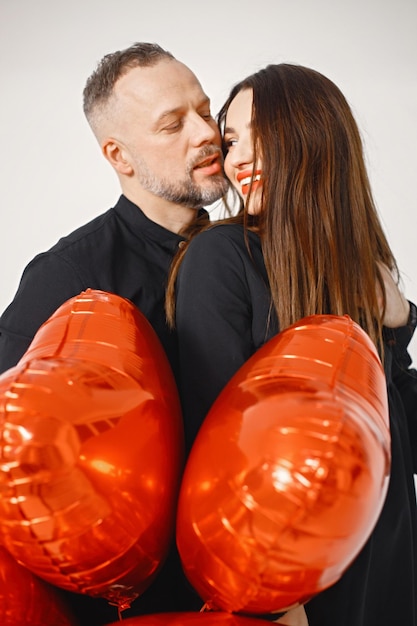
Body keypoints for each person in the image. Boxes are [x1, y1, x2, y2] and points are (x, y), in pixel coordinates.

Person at [170, 64, 417, 626]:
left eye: (261, 135)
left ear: (317, 135)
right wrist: (280, 603)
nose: (237, 159)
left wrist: (398, 324)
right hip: (290, 597)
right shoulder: (222, 259)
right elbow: (216, 462)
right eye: (232, 141)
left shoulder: (363, 272)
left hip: (385, 577)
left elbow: (401, 449)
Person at [0, 42, 229, 625]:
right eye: (173, 124)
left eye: (206, 110)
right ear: (119, 155)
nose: (206, 133)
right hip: (128, 601)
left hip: (247, 587)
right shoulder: (70, 274)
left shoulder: (247, 257)